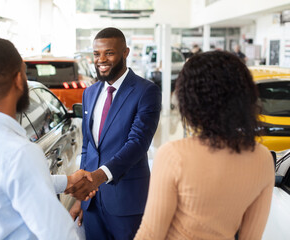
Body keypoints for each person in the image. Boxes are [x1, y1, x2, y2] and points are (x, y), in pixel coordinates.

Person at [0, 38, 94, 239]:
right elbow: (59, 233)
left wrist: (67, 181)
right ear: (18, 79)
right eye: (25, 72)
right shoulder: (20, 151)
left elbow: (3, 186)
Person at [135, 51, 275, 240]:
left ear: (190, 100)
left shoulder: (174, 154)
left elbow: (151, 234)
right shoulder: (263, 158)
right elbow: (251, 237)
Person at [66, 27, 162, 239]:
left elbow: (137, 143)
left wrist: (99, 177)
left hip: (126, 201)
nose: (101, 59)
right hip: (92, 203)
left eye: (109, 53)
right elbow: (87, 147)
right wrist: (81, 198)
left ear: (125, 52)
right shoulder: (89, 93)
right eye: (96, 54)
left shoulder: (146, 91)